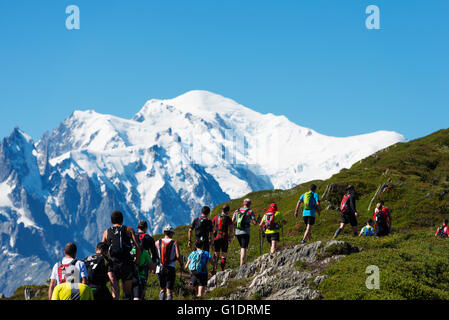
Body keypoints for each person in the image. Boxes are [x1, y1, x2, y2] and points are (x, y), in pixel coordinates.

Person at [101, 210, 141, 300]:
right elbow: (137, 247)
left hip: (113, 264)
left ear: (111, 221)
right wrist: (137, 261)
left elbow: (102, 250)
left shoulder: (106, 232)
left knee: (115, 294)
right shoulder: (129, 229)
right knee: (127, 293)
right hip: (126, 263)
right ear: (122, 220)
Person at [155, 225, 184, 300]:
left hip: (160, 268)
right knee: (169, 291)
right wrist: (181, 264)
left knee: (162, 289)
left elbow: (154, 256)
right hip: (170, 268)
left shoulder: (157, 242)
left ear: (164, 232)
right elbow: (178, 256)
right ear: (171, 233)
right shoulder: (174, 242)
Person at [131, 220, 157, 300]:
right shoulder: (149, 238)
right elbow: (154, 253)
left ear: (138, 227)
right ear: (146, 228)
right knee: (140, 291)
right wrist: (152, 266)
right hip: (143, 267)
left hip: (130, 270)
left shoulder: (132, 236)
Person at [232, 198, 257, 266]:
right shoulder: (250, 211)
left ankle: (242, 262)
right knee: (244, 247)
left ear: (243, 203)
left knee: (242, 247)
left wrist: (233, 230)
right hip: (245, 232)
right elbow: (254, 223)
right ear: (249, 204)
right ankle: (242, 264)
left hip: (237, 232)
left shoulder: (236, 211)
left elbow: (232, 221)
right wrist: (257, 221)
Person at [211, 204, 234, 274]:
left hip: (216, 237)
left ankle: (214, 269)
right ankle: (222, 270)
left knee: (216, 254)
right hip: (224, 237)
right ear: (227, 211)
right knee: (223, 255)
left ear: (222, 210)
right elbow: (231, 229)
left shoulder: (216, 217)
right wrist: (229, 237)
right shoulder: (228, 218)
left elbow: (211, 227)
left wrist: (212, 237)